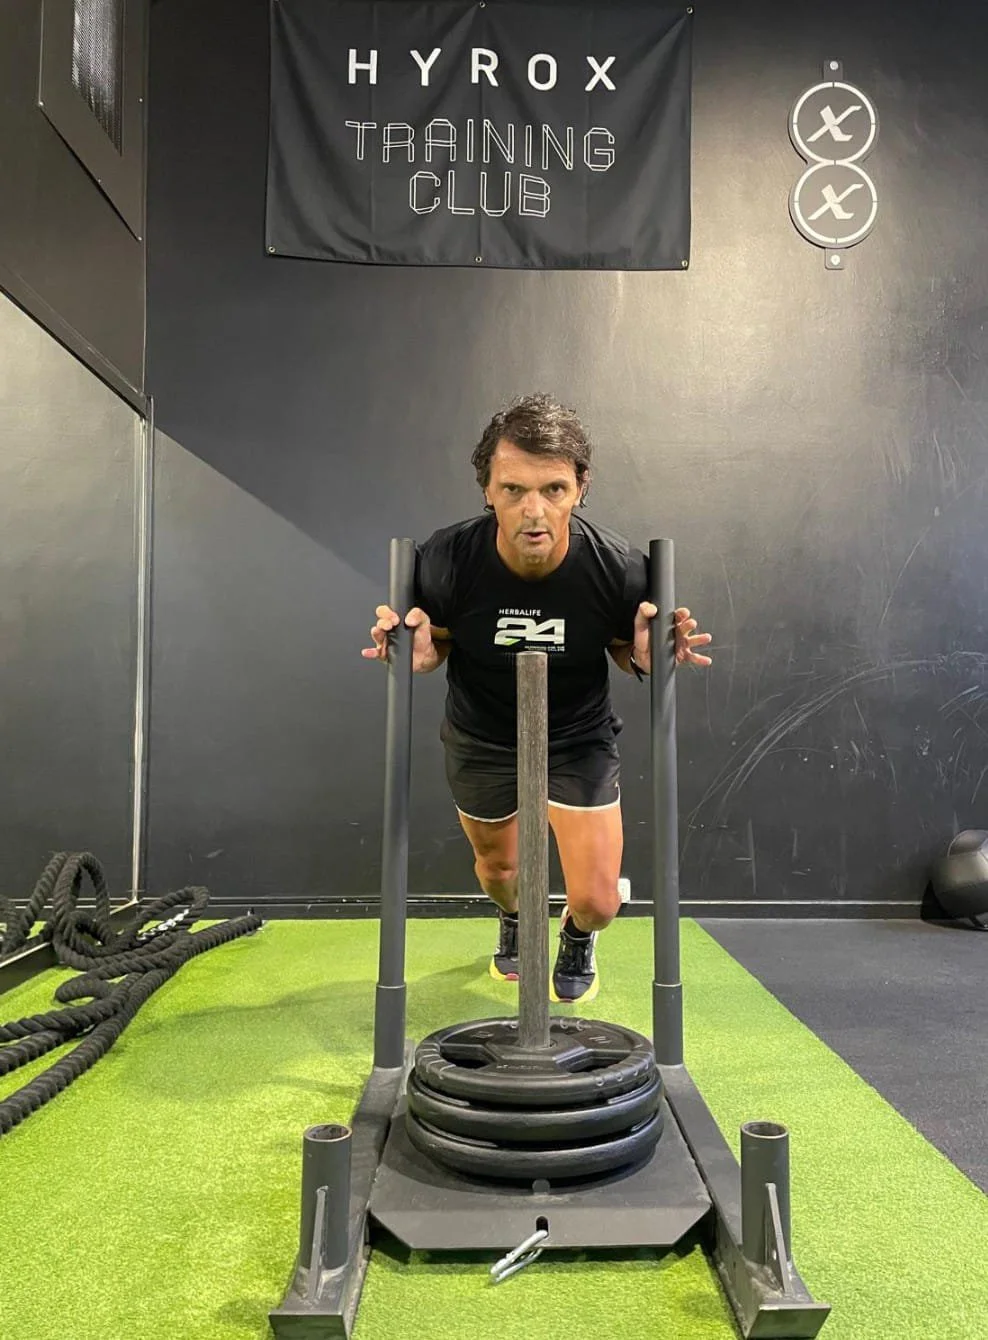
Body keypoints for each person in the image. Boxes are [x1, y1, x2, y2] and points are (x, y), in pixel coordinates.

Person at [362, 394, 712, 1003]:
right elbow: (436, 638)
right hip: (483, 735)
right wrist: (420, 654)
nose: (534, 511)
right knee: (501, 874)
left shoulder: (617, 569)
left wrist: (648, 658)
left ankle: (576, 935)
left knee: (600, 901)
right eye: (513, 489)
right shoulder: (447, 561)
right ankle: (518, 920)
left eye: (553, 489)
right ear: (487, 491)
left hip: (576, 737)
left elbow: (627, 649)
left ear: (580, 488)